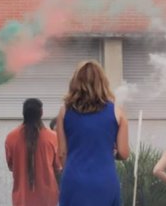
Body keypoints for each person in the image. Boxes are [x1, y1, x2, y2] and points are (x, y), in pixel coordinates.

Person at [56, 60, 130, 206]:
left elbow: (62, 153)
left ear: (76, 82)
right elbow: (124, 153)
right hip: (105, 180)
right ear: (102, 82)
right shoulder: (117, 112)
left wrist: (72, 170)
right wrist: (110, 152)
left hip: (74, 180)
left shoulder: (64, 111)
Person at [5, 98, 61, 206]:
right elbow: (58, 167)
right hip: (48, 198)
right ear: (41, 113)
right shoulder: (53, 138)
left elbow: (11, 166)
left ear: (23, 113)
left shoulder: (11, 138)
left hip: (22, 198)